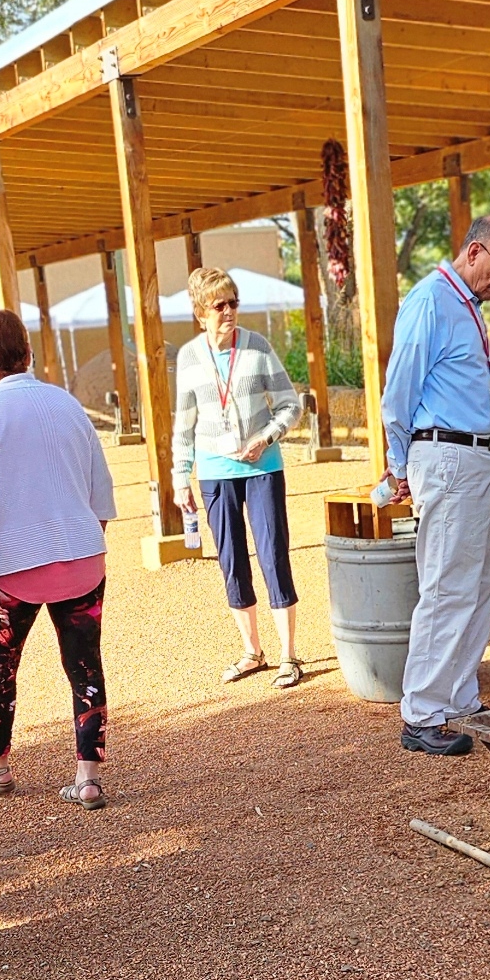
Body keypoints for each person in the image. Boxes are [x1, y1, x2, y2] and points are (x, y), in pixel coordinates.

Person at [0, 309, 117, 807]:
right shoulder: (67, 404)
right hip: (82, 557)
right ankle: (87, 777)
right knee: (85, 666)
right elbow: (102, 490)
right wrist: (81, 538)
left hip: (13, 566)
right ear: (28, 352)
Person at [381, 214, 490, 756]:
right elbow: (399, 392)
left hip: (475, 455)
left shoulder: (465, 306)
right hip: (446, 453)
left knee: (478, 582)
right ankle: (421, 711)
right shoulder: (431, 300)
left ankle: (459, 696)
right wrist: (398, 466)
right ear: (474, 251)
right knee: (445, 584)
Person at [173, 267, 305, 688]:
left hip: (262, 467)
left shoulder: (258, 347)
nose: (229, 312)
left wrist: (266, 437)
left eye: (234, 303)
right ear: (200, 314)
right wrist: (181, 477)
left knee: (273, 555)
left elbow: (290, 405)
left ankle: (289, 656)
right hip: (215, 472)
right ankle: (253, 652)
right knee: (232, 562)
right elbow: (184, 425)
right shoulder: (189, 357)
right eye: (219, 305)